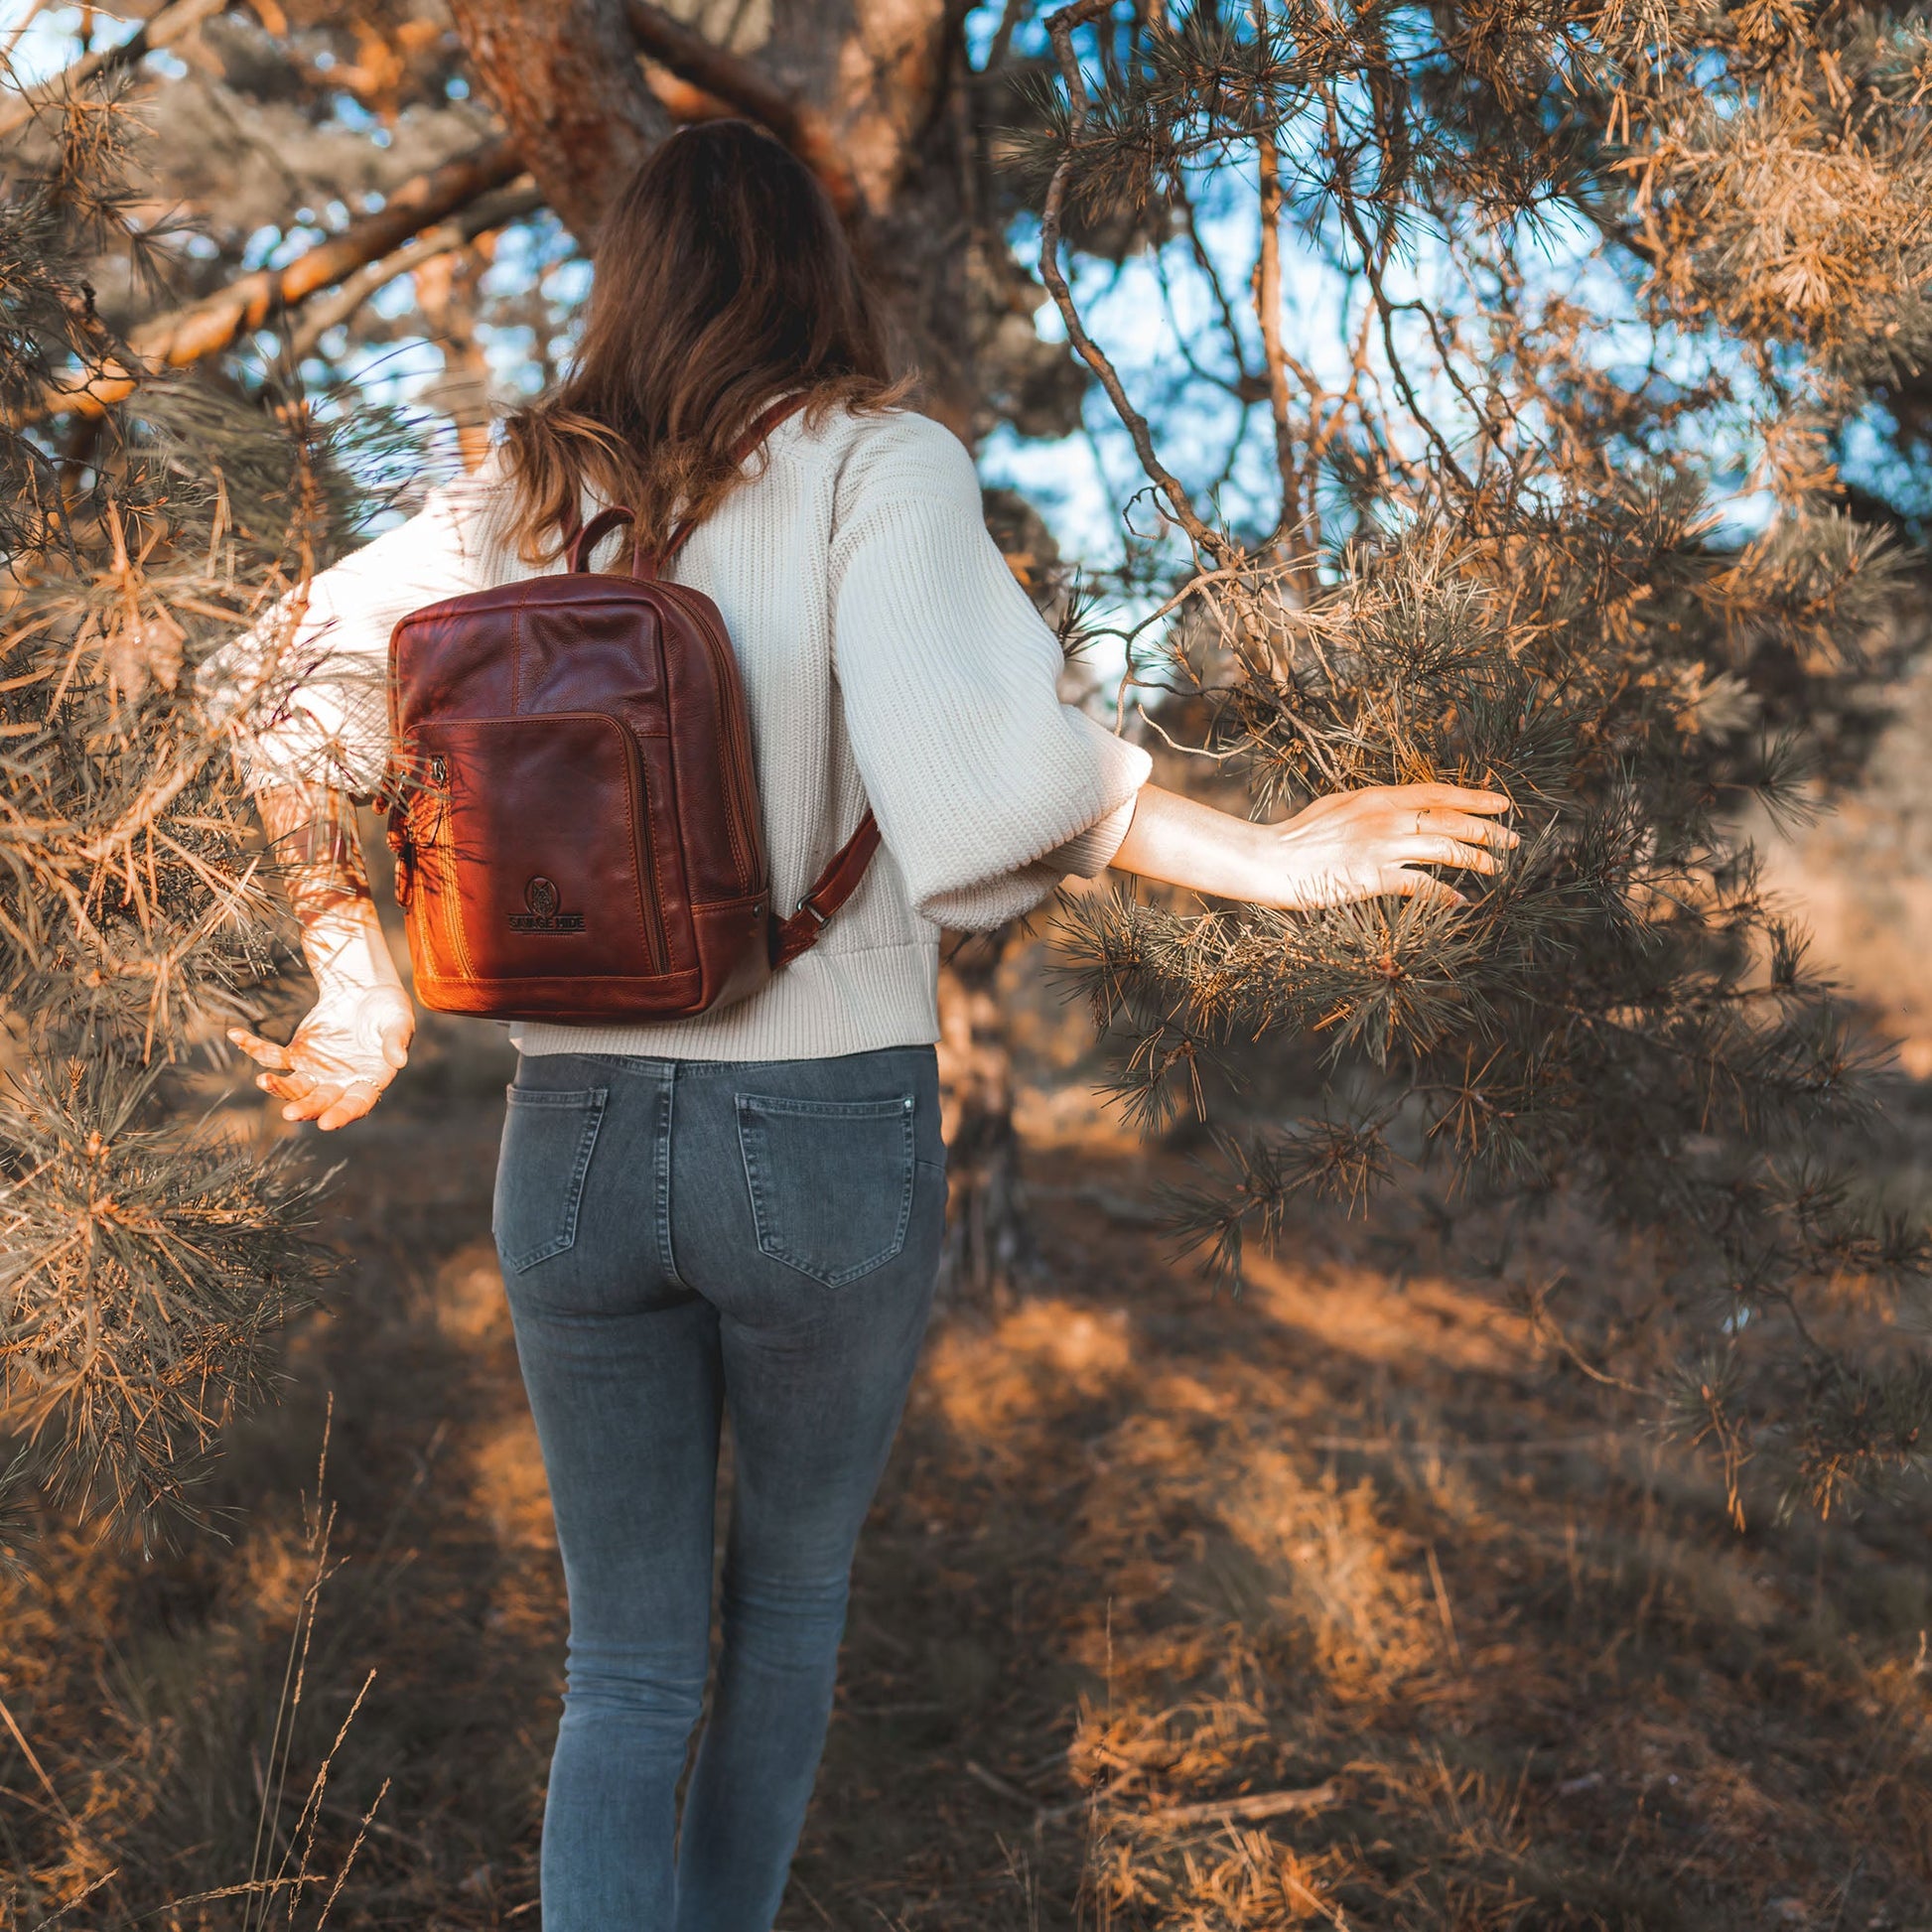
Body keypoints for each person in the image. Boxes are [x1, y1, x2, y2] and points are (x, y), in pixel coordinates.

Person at [210, 120, 1513, 1932]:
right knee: (788, 1611)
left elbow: (269, 681)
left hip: (570, 1139)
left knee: (626, 1668)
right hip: (818, 1131)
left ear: (628, 280)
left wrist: (346, 949)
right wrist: (1281, 859)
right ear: (815, 272)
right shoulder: (872, 463)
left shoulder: (507, 495)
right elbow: (992, 779)